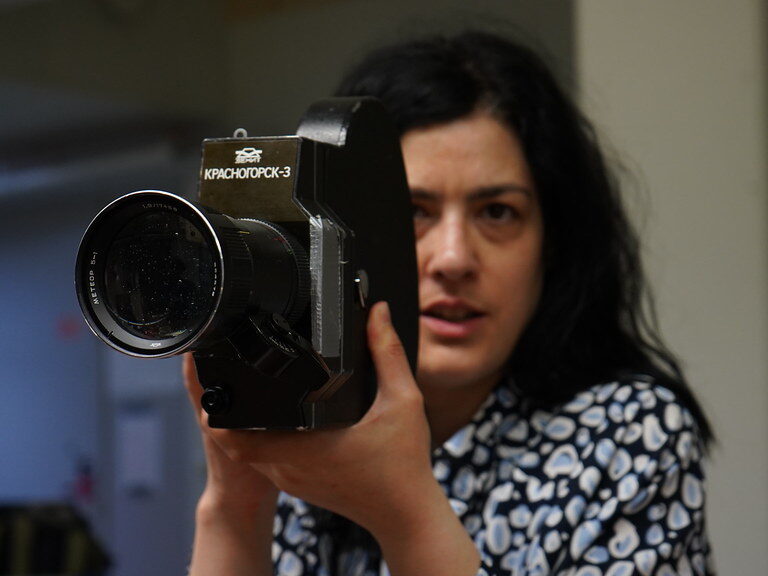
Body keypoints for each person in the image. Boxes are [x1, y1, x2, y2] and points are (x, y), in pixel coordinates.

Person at [184, 31, 715, 576]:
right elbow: (239, 512)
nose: (454, 258)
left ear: (554, 242)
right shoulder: (316, 414)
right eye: (414, 212)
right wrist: (235, 502)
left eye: (498, 212)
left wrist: (403, 514)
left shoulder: (627, 435)